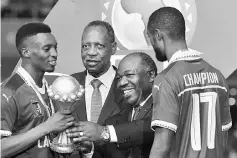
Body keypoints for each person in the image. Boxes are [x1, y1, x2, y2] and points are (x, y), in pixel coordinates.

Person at [146, 7, 232, 158]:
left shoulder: (166, 79)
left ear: (158, 35)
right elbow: (223, 137)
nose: (151, 44)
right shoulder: (218, 76)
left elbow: (161, 147)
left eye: (150, 38)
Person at [1, 22, 75, 158]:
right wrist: (47, 127)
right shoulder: (8, 91)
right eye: (47, 49)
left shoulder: (53, 87)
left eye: (55, 48)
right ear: (26, 52)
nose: (55, 54)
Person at [67, 52, 157, 158]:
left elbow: (149, 127)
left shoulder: (165, 106)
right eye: (118, 78)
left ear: (151, 75)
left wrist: (104, 132)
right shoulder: (113, 121)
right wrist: (90, 149)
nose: (121, 83)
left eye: (129, 75)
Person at [70, 20, 130, 158]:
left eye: (99, 46)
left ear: (113, 48)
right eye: (85, 46)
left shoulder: (130, 88)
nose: (91, 52)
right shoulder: (68, 85)